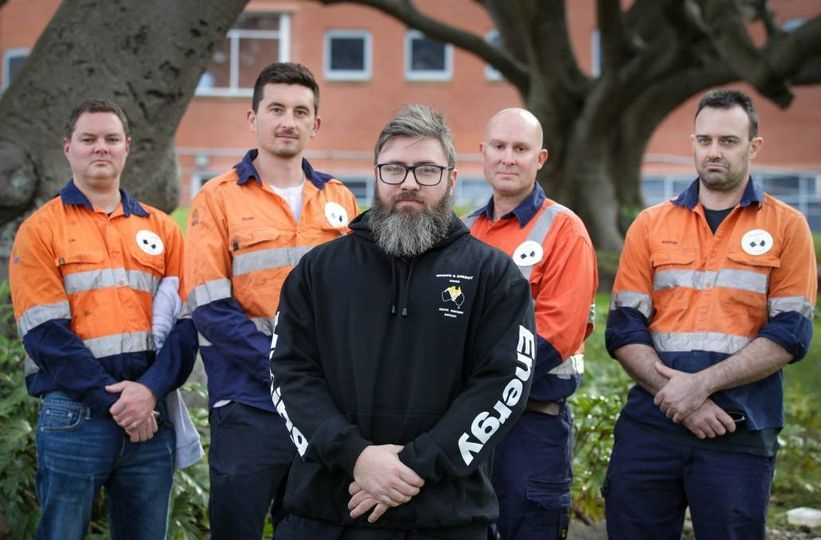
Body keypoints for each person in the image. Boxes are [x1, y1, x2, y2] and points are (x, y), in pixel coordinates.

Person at [268, 104, 537, 538]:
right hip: (327, 513)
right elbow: (289, 374)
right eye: (394, 169)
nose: (409, 183)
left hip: (447, 516)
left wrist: (412, 466)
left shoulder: (494, 275)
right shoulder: (318, 272)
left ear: (451, 178)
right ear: (375, 175)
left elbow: (503, 383)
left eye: (426, 170)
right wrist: (356, 456)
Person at [604, 89, 817, 540]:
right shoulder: (650, 224)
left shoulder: (788, 226)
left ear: (753, 146)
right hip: (650, 429)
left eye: (728, 141)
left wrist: (700, 387)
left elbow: (791, 334)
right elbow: (623, 327)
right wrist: (682, 401)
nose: (713, 152)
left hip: (738, 429)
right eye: (704, 140)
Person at [183, 62, 359, 539]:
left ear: (315, 124)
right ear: (253, 118)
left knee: (314, 531)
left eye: (301, 111)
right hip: (248, 404)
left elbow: (363, 302)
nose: (288, 121)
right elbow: (210, 307)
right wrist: (285, 369)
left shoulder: (340, 198)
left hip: (327, 411)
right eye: (276, 108)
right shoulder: (216, 199)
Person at [9, 98, 198, 540]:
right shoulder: (40, 229)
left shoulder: (164, 229)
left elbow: (188, 323)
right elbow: (44, 334)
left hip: (150, 419)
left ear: (127, 147)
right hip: (74, 415)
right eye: (88, 139)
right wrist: (120, 403)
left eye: (111, 139)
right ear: (68, 148)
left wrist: (149, 392)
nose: (101, 148)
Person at [464, 108, 597, 539]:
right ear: (482, 153)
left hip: (532, 427)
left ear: (540, 158)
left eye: (520, 149)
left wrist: (475, 380)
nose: (508, 158)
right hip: (466, 426)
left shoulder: (564, 231)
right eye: (499, 147)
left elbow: (556, 336)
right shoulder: (462, 233)